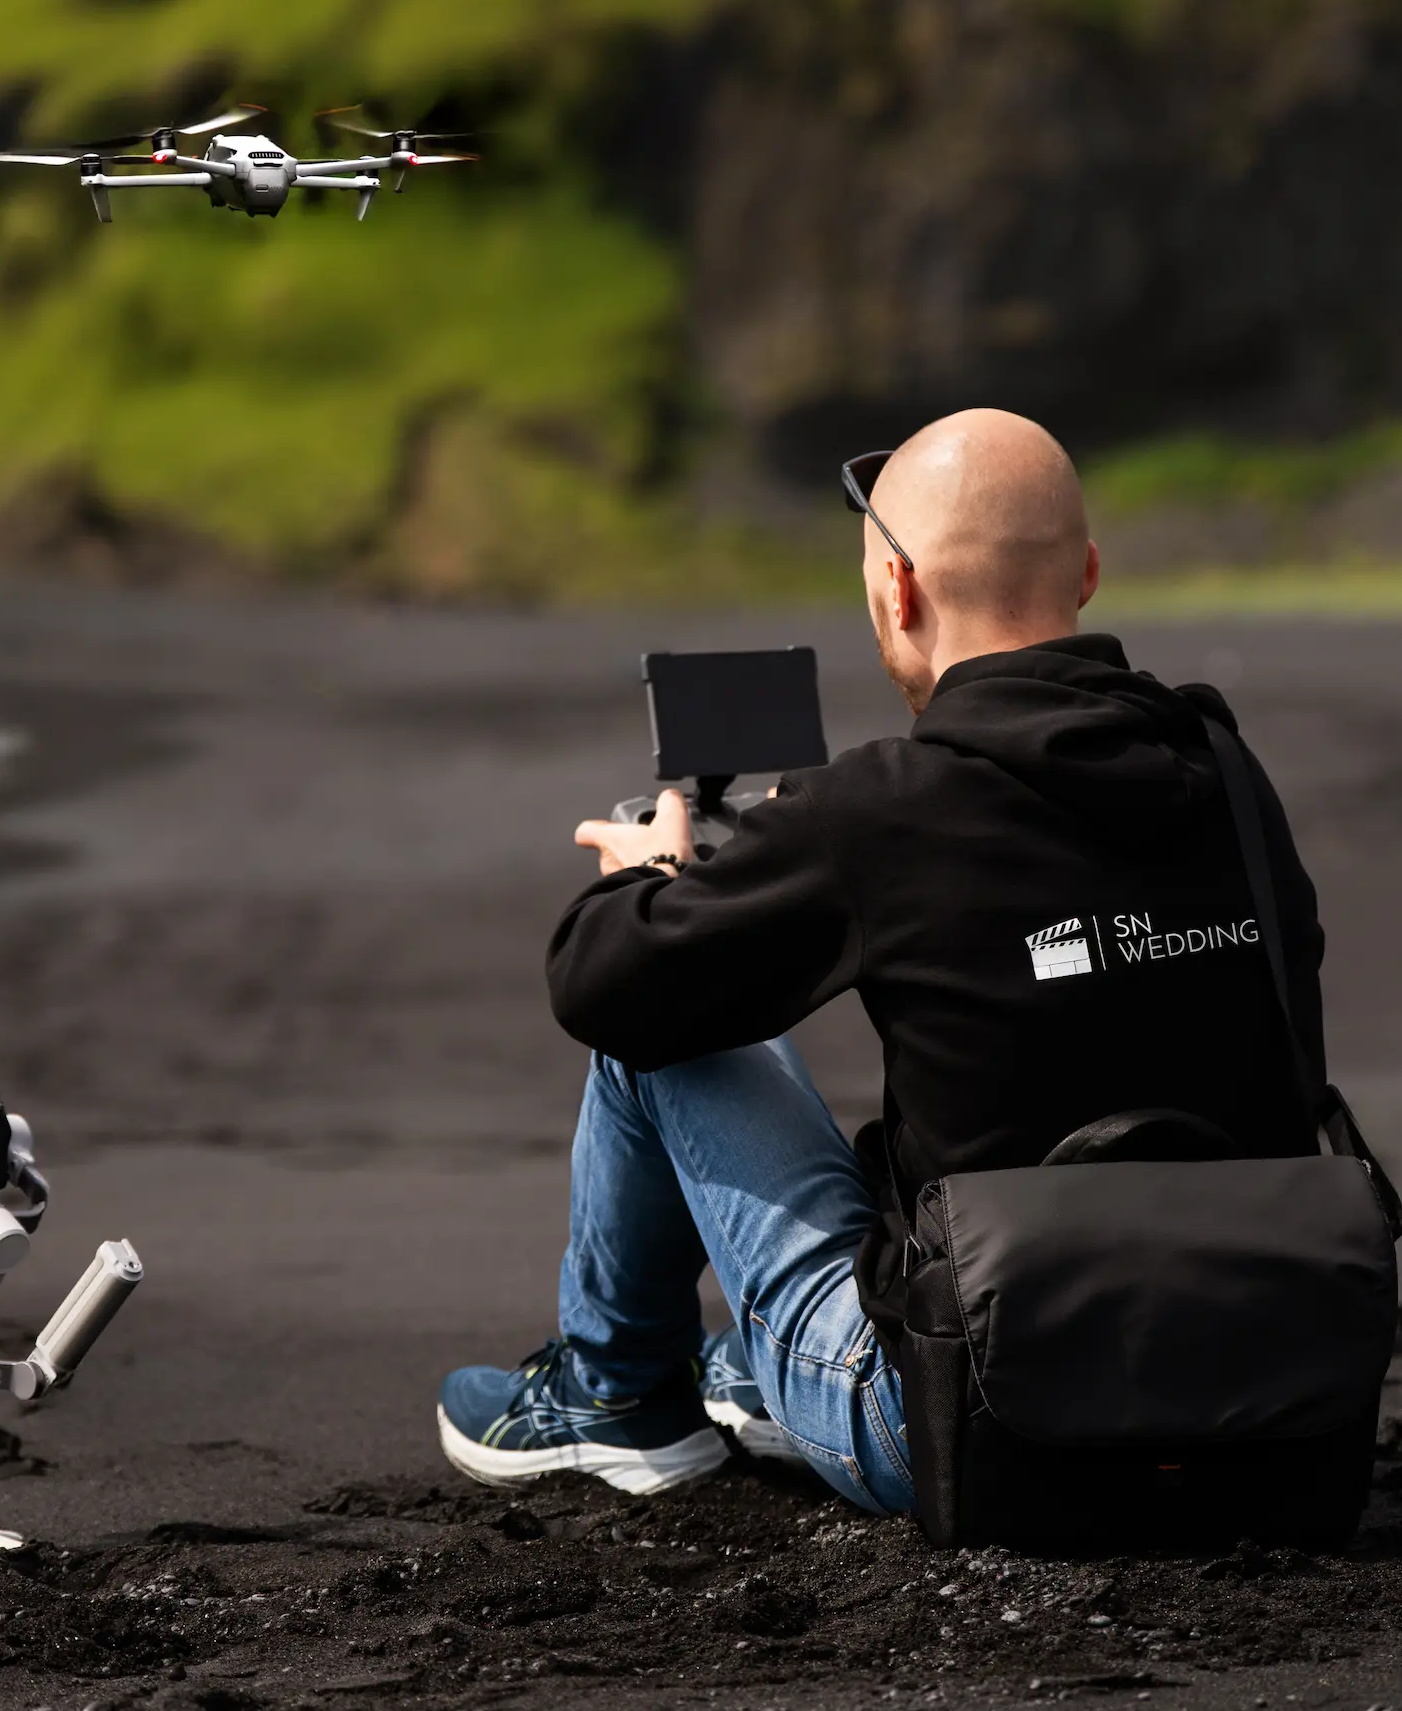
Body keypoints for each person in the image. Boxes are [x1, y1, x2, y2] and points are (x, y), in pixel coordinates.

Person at [435, 408, 1328, 1513]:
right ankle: (747, 1378)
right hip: (1272, 1396)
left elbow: (598, 980)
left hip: (982, 1424)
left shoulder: (884, 809)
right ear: (1087, 573)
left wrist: (656, 879)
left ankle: (612, 1398)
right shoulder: (1232, 779)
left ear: (897, 596)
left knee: (666, 1029)